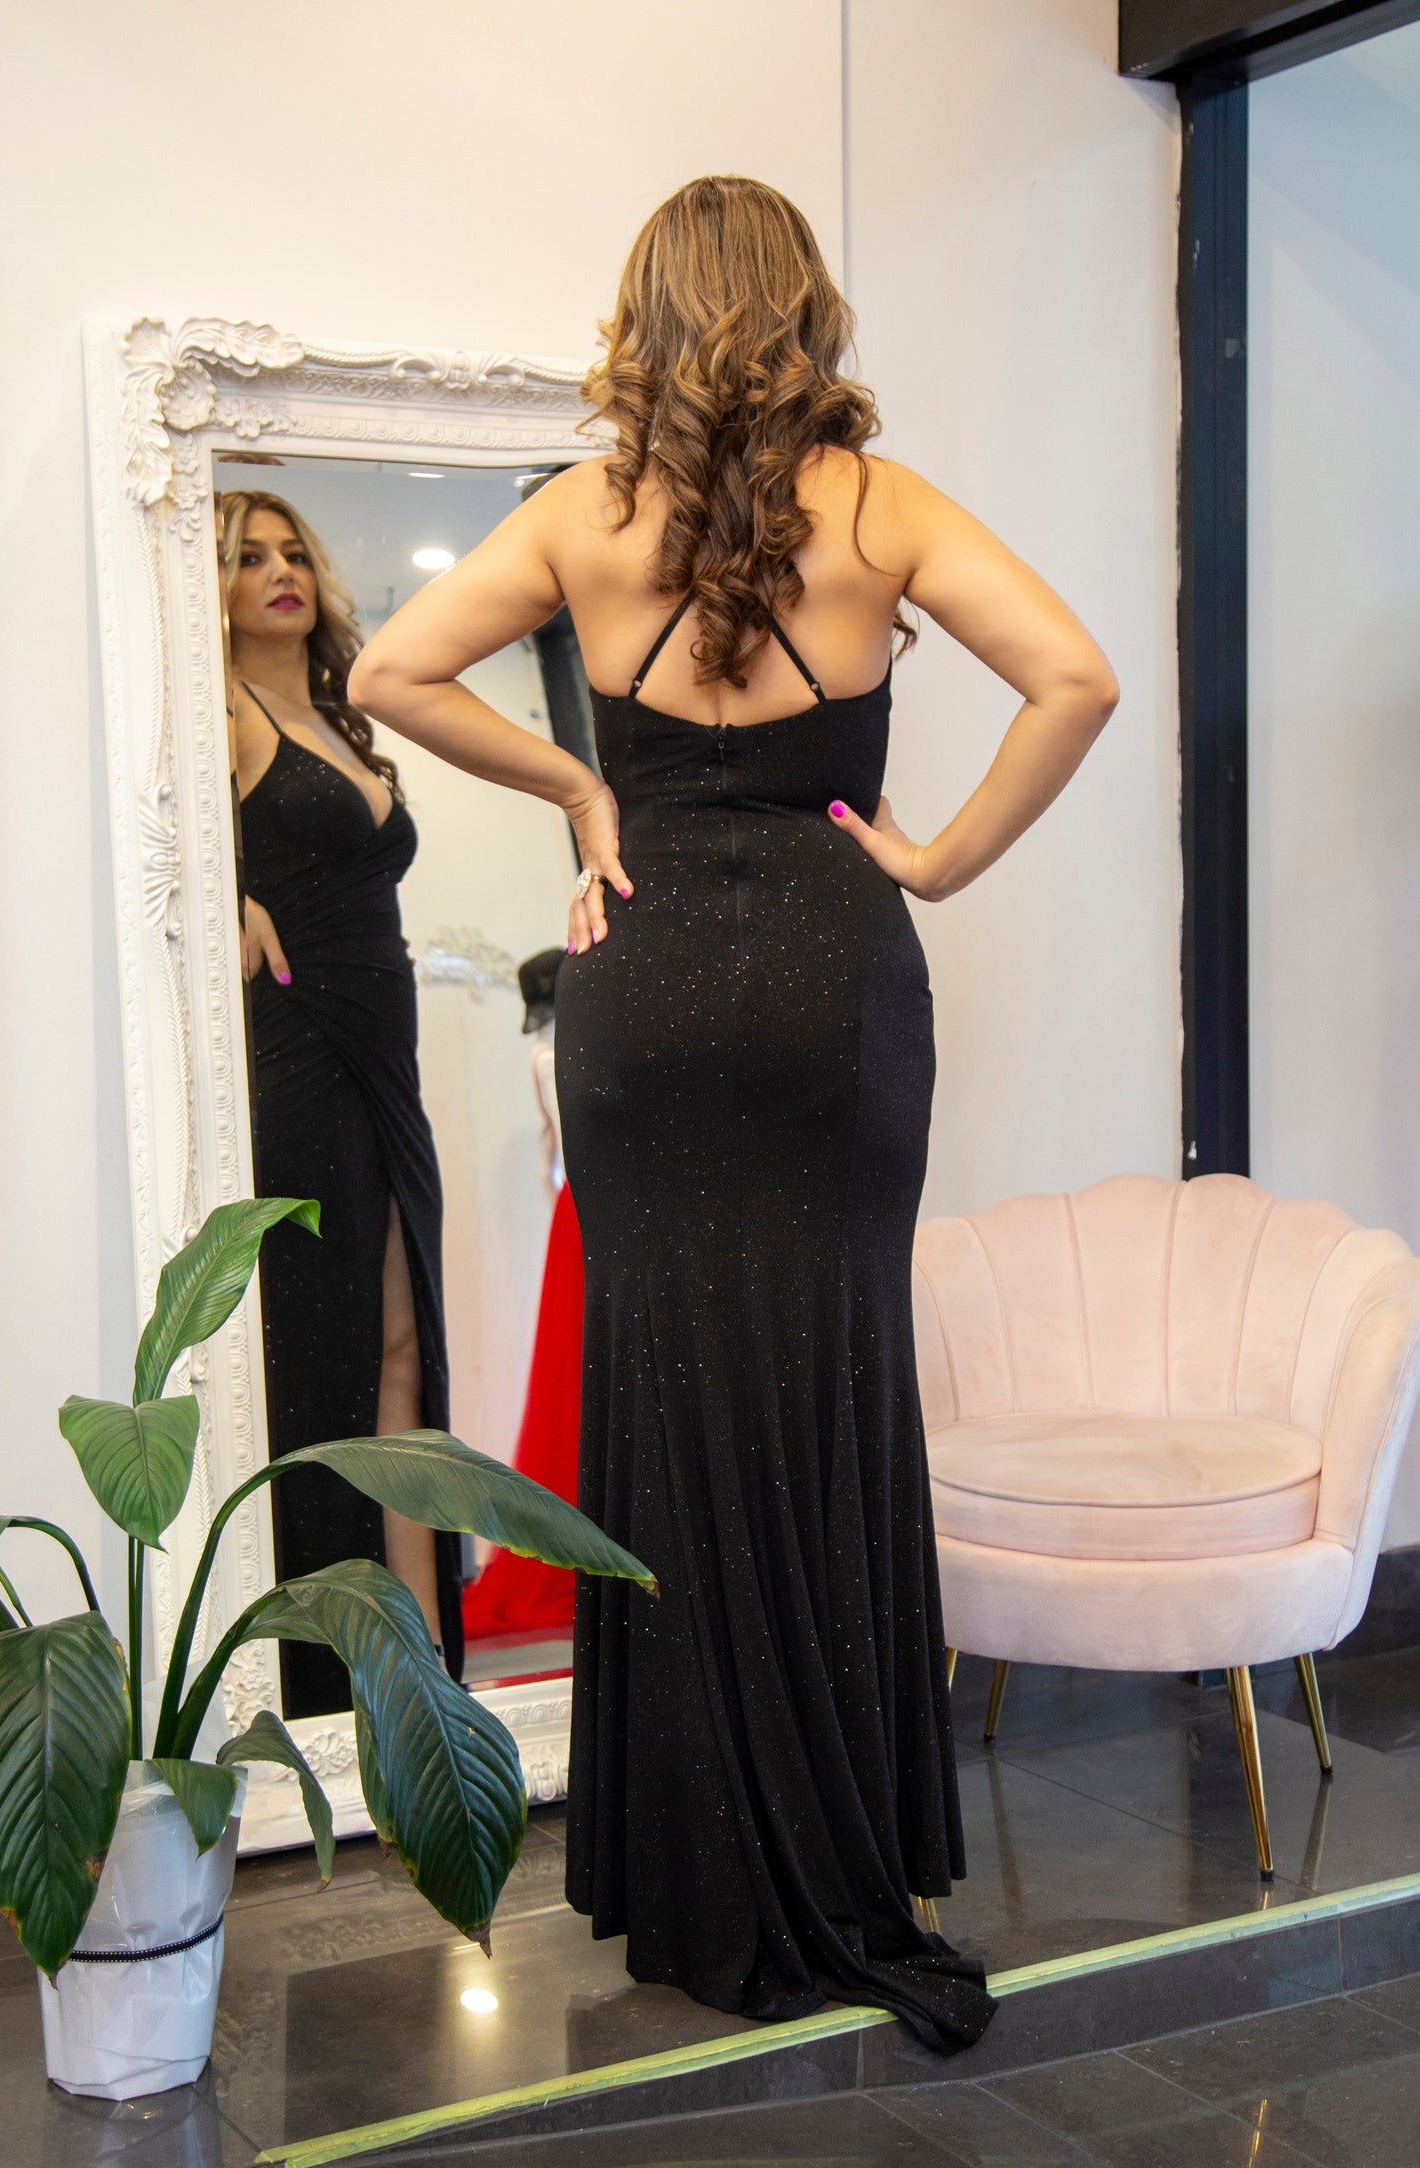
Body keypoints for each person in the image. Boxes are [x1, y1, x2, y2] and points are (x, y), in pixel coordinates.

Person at [349, 175, 1118, 2052]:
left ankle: (696, 1879)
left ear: (649, 312)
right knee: (835, 1376)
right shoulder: (878, 502)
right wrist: (925, 857)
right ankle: (845, 1851)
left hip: (646, 984)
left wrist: (579, 797)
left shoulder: (581, 514)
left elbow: (386, 673)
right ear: (805, 304)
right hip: (835, 988)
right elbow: (1076, 675)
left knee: (676, 1399)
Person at [222, 488, 465, 1717]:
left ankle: (421, 1680)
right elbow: (151, 829)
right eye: (244, 555)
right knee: (318, 1358)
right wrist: (227, 887)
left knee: (403, 1346)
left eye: (289, 550)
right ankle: (329, 1688)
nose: (278, 571)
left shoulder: (340, 710)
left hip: (389, 1055)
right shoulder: (213, 705)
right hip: (301, 1053)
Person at [463, 947, 585, 1643]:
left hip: (570, 1215)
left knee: (567, 1374)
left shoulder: (536, 1061)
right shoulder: (557, 1057)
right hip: (595, 1210)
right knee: (580, 1373)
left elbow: (548, 1153)